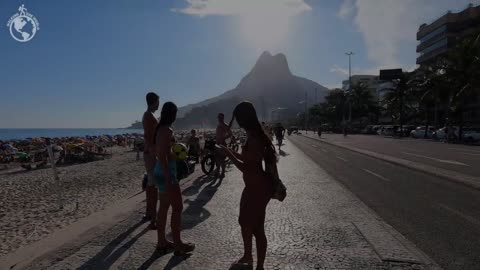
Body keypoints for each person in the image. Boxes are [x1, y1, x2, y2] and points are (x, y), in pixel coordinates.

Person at [217, 101, 278, 270]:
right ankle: (248, 255)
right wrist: (228, 150)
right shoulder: (253, 134)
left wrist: (228, 153)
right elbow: (248, 159)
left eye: (238, 118)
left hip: (258, 188)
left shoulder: (255, 137)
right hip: (253, 186)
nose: (236, 121)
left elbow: (246, 166)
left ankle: (259, 266)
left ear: (244, 118)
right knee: (245, 221)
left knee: (257, 227)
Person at [154, 101, 195, 255]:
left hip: (159, 171)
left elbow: (161, 153)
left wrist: (172, 155)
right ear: (173, 114)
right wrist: (169, 176)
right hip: (166, 173)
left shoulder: (159, 129)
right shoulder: (167, 130)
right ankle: (178, 244)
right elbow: (163, 155)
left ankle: (161, 242)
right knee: (177, 208)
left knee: (163, 208)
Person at [142, 92, 159, 229]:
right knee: (153, 186)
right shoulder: (148, 116)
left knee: (150, 183)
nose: (159, 104)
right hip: (151, 154)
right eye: (158, 102)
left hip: (151, 152)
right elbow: (148, 136)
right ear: (154, 102)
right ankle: (153, 217)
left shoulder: (150, 115)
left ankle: (149, 212)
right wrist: (153, 150)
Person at [215, 113, 232, 178]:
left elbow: (230, 133)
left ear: (223, 118)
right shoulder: (219, 124)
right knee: (217, 159)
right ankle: (218, 172)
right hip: (217, 143)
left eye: (220, 117)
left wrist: (224, 138)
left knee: (222, 160)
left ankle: (223, 173)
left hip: (222, 144)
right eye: (218, 117)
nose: (219, 118)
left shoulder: (225, 125)